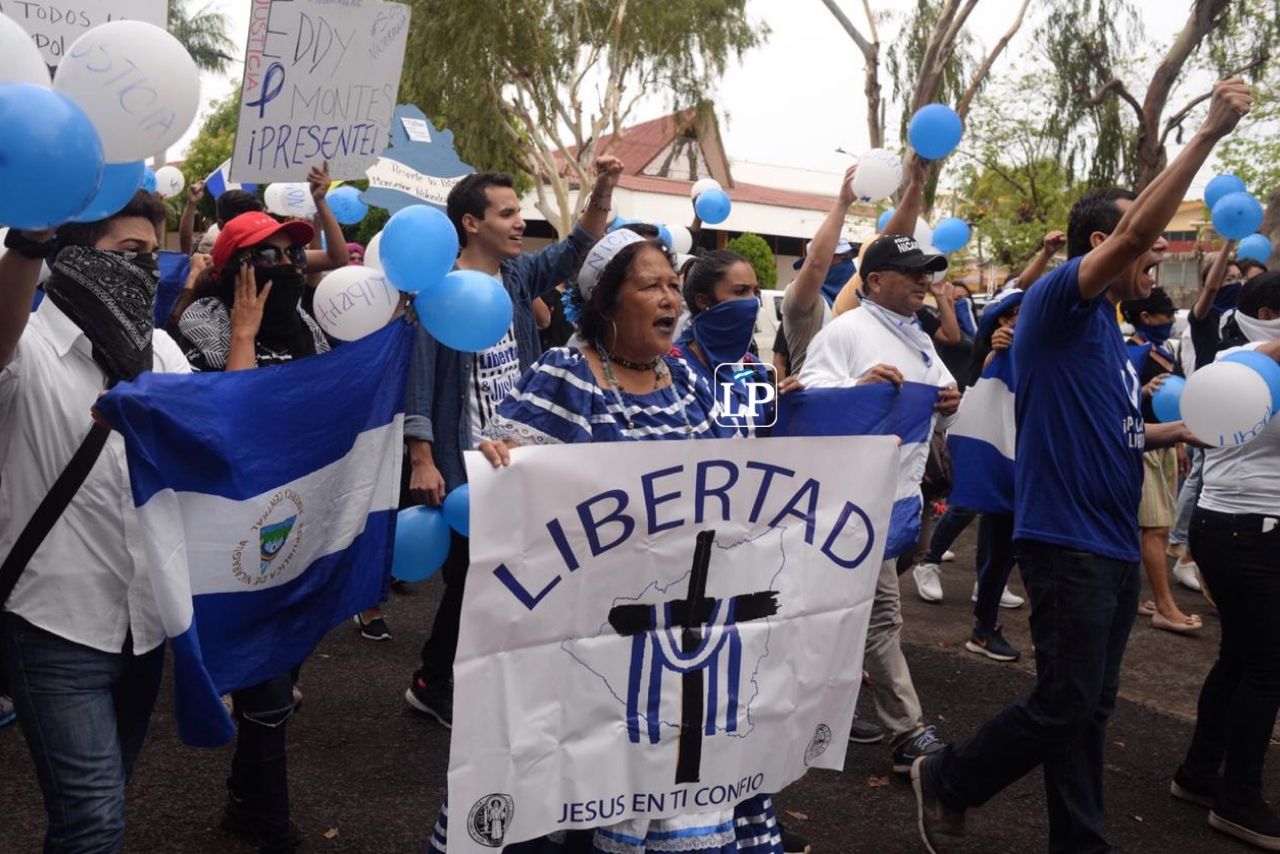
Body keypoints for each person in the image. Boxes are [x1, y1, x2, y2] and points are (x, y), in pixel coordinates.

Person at [913, 78, 1251, 854]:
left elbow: (1118, 432)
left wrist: (1179, 429)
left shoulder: (1109, 337)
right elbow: (1133, 236)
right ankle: (951, 777)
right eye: (1147, 243)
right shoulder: (1059, 304)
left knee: (1090, 710)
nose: (1158, 254)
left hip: (1111, 541)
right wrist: (1204, 135)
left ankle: (1080, 842)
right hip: (1065, 543)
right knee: (1064, 702)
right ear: (1101, 244)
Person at [427, 228, 794, 854]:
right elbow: (519, 489)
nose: (670, 299)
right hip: (587, 646)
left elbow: (739, 481)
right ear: (605, 301)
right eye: (651, 286)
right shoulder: (566, 375)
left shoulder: (688, 380)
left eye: (674, 285)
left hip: (682, 638)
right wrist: (504, 460)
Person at [0, 191, 191, 853]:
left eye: (153, 255)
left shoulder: (160, 352)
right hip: (53, 624)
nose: (145, 269)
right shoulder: (27, 349)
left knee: (103, 801)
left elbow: (216, 435)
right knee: (94, 821)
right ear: (75, 257)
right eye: (129, 252)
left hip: (145, 625)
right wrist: (29, 240)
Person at [403, 158, 624, 728]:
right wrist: (423, 459)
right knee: (470, 583)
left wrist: (602, 187)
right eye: (507, 214)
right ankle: (432, 682)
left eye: (519, 212)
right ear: (471, 223)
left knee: (512, 577)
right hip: (464, 465)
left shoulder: (518, 278)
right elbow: (418, 378)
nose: (520, 223)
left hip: (520, 456)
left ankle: (481, 681)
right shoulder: (438, 290)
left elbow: (576, 247)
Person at [171, 211, 323, 853]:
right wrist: (243, 334)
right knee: (267, 685)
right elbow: (225, 428)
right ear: (233, 268)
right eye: (268, 257)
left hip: (295, 511)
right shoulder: (200, 327)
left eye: (293, 257)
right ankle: (271, 825)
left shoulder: (308, 323)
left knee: (280, 670)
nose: (286, 267)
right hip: (233, 523)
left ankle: (243, 800)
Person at [799, 232, 961, 777]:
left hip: (897, 500)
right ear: (873, 280)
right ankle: (906, 733)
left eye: (927, 272)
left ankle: (812, 711)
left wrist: (950, 403)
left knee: (847, 615)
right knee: (879, 615)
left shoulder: (919, 338)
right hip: (850, 504)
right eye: (912, 272)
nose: (923, 281)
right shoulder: (846, 331)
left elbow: (943, 404)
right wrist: (859, 387)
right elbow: (810, 401)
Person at [1173, 271, 1280, 850]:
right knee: (1267, 667)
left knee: (1240, 657)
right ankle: (1237, 800)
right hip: (1244, 530)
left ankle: (1198, 773)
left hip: (1243, 529)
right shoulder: (1237, 361)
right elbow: (1247, 373)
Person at [1121, 288, 1201, 634]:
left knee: (1154, 527)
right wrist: (1142, 391)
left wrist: (1179, 442)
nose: (1170, 320)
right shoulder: (1130, 354)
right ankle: (1165, 606)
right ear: (1145, 317)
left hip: (1166, 445)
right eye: (1166, 314)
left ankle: (1139, 597)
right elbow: (1114, 403)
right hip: (1142, 447)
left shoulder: (1164, 348)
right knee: (1155, 529)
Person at [671, 249, 800, 436]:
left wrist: (787, 402)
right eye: (740, 291)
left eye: (755, 292)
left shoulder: (751, 368)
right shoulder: (674, 371)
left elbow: (766, 435)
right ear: (703, 300)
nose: (753, 302)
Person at [179, 164, 350, 274]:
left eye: (257, 219)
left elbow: (338, 258)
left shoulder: (285, 257)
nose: (284, 261)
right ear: (222, 225)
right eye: (268, 255)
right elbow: (185, 244)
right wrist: (191, 205)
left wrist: (320, 200)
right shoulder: (212, 263)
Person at [777, 166, 858, 375]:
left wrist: (915, 186)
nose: (847, 264)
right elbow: (816, 265)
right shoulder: (801, 303)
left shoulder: (858, 298)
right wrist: (843, 203)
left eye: (849, 258)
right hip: (811, 393)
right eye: (839, 259)